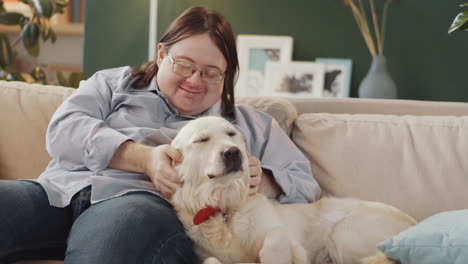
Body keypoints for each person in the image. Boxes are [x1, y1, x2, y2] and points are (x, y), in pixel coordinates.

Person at [0, 6, 321, 264]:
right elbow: (62, 130)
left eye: (211, 73)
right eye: (184, 65)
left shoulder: (248, 125)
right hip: (58, 192)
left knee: (115, 237)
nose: (195, 80)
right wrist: (144, 159)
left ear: (227, 77)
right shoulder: (113, 84)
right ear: (161, 54)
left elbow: (305, 183)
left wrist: (259, 179)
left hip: (136, 207)